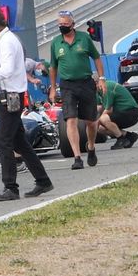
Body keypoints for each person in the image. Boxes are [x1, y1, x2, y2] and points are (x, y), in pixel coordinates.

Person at [0, 8, 52, 202]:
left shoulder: (8, 41)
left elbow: (7, 70)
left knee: (3, 141)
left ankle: (10, 187)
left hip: (10, 96)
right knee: (19, 142)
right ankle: (43, 180)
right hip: (3, 96)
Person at [49, 10, 106, 169]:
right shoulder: (55, 43)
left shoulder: (84, 38)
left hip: (86, 83)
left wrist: (101, 79)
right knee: (71, 119)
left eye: (65, 24)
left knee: (91, 122)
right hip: (67, 85)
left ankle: (91, 146)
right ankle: (77, 157)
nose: (62, 27)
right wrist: (53, 88)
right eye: (60, 24)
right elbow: (53, 67)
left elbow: (96, 58)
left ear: (72, 25)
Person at [95, 78, 138, 149]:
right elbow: (99, 107)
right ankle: (129, 136)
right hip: (121, 113)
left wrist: (97, 122)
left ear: (96, 83)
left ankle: (121, 139)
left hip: (130, 113)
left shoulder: (107, 87)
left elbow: (109, 110)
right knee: (100, 129)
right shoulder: (98, 92)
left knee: (103, 119)